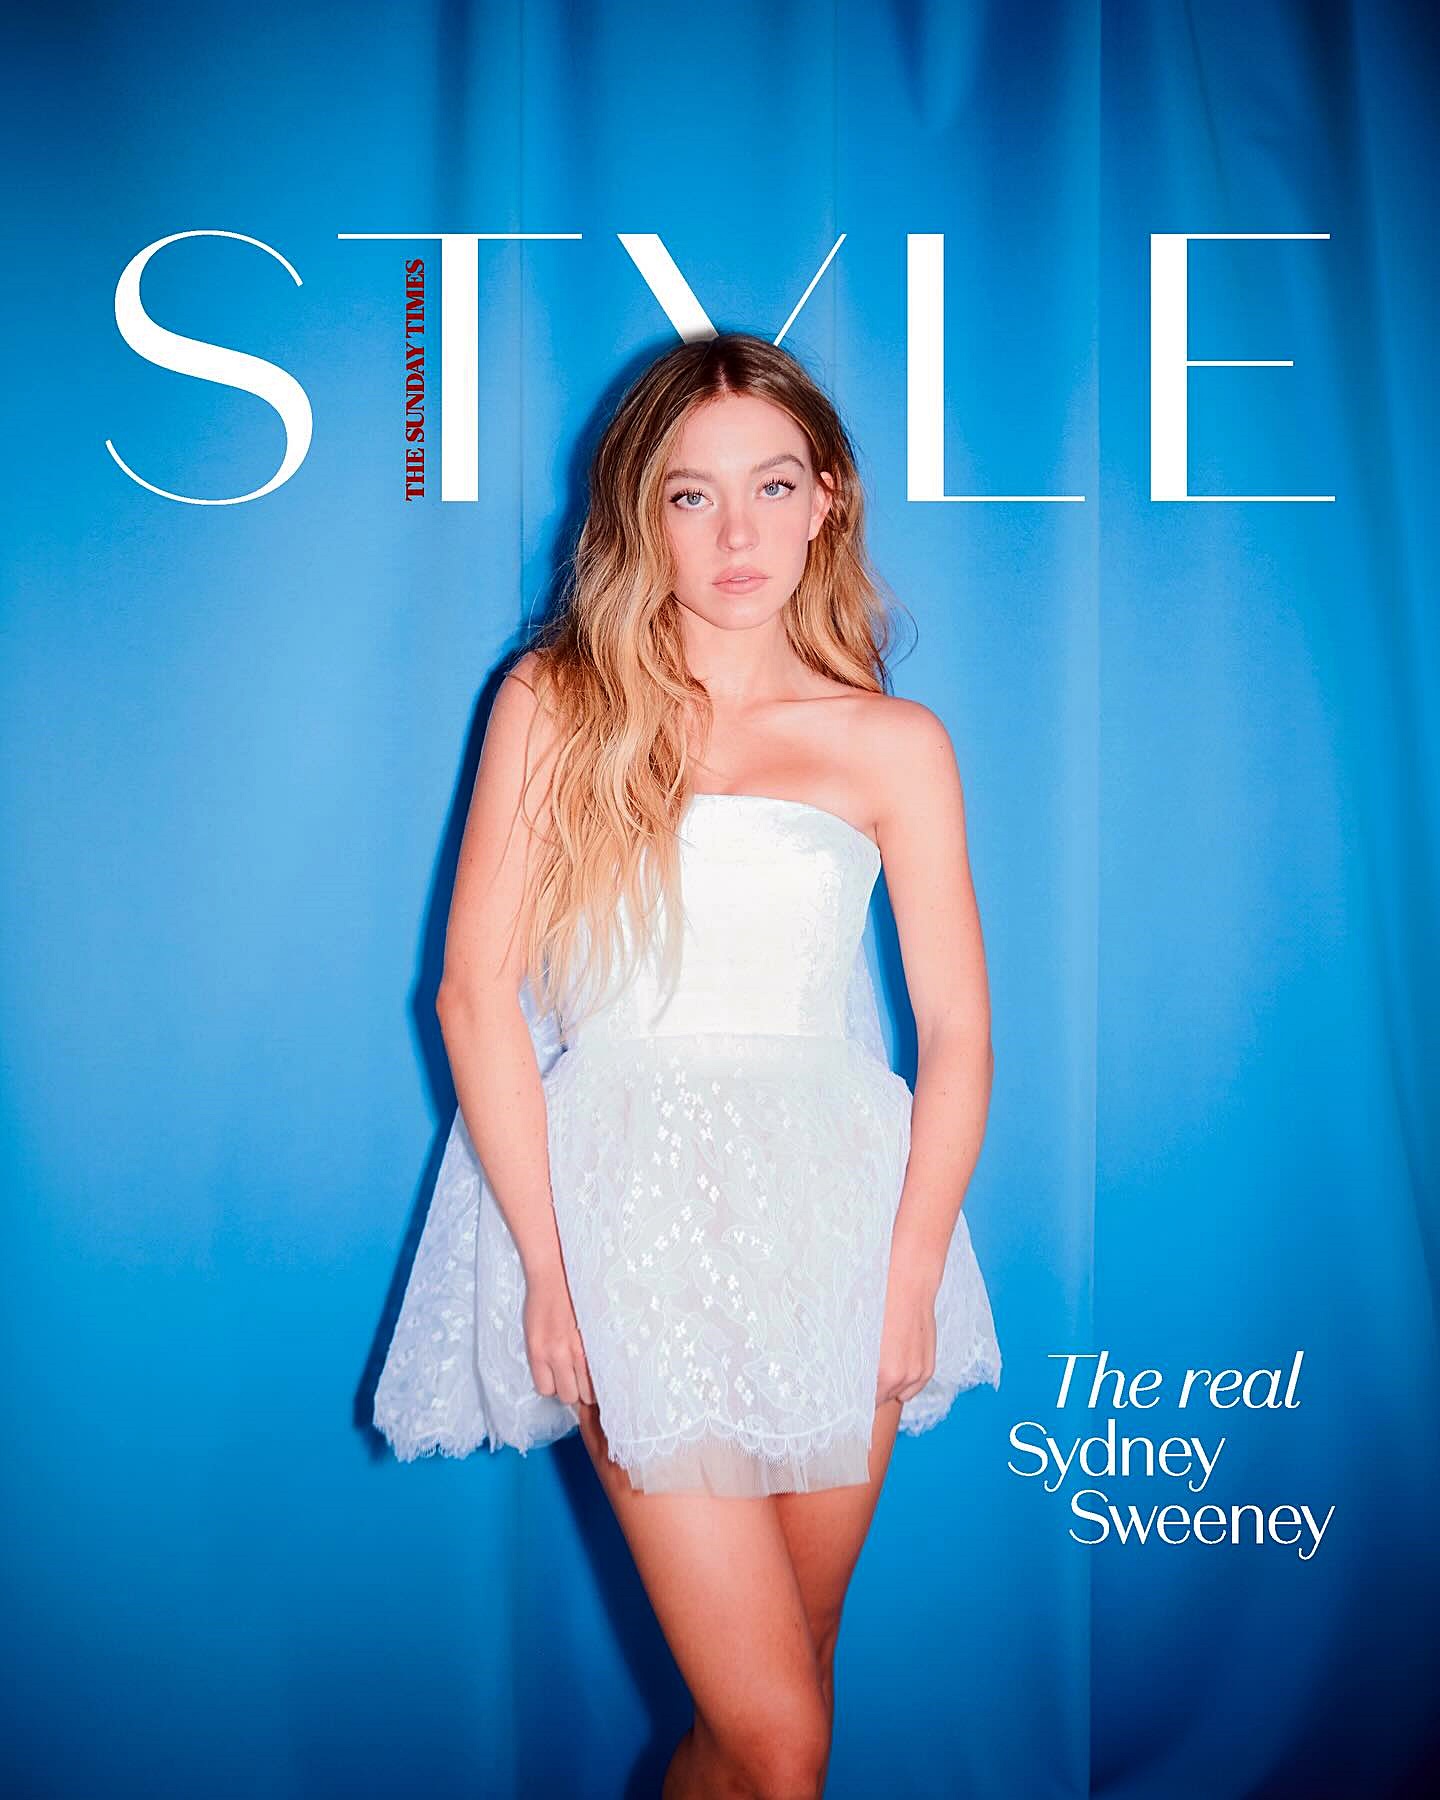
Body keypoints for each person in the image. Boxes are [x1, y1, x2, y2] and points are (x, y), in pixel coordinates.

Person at [375, 332, 1001, 1797]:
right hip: (626, 1218)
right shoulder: (558, 703)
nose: (736, 536)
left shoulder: (894, 743)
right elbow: (471, 998)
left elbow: (961, 1034)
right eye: (691, 495)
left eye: (772, 487)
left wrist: (910, 1272)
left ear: (827, 500)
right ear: (639, 514)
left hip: (840, 1225)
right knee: (780, 1740)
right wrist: (547, 1268)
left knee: (790, 1700)